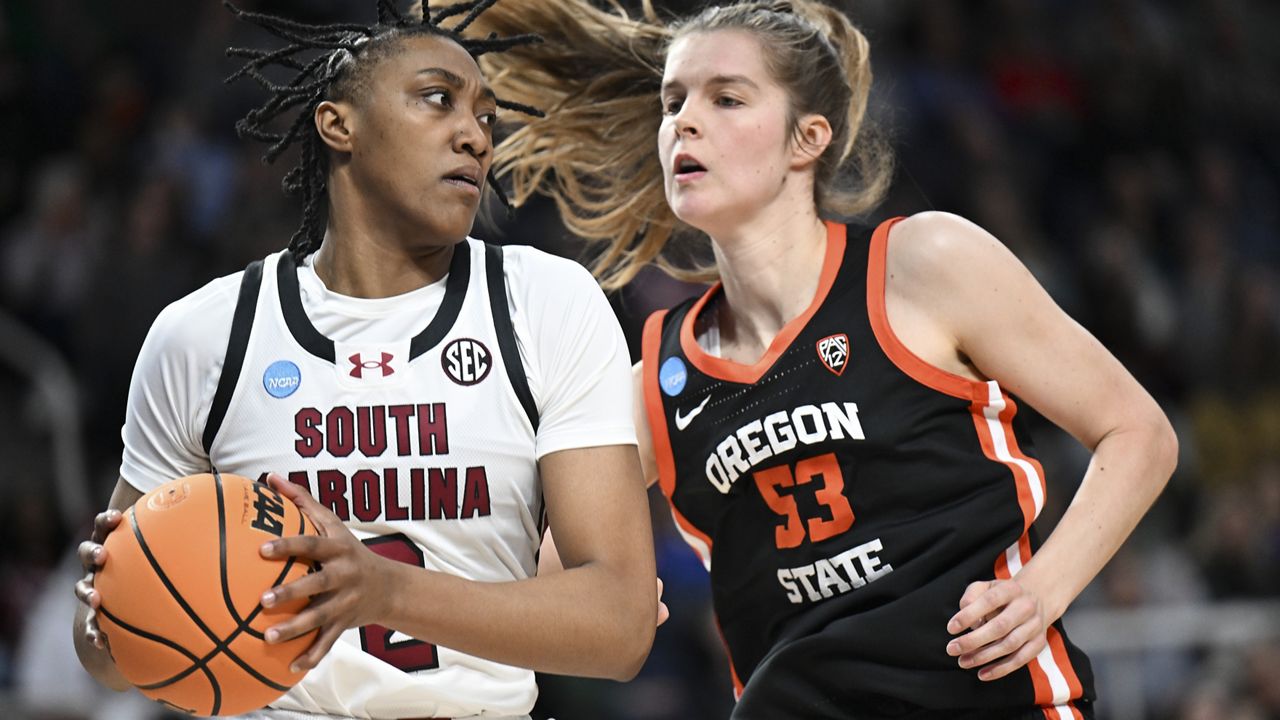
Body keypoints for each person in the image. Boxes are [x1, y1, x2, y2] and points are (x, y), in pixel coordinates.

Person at [468, 0, 1179, 718]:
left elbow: (1139, 434)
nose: (683, 121)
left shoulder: (923, 266)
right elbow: (531, 581)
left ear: (806, 139)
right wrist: (599, 604)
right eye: (673, 101)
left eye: (726, 98)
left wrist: (1042, 588)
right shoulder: (654, 381)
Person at [72, 2, 659, 719]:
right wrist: (119, 604)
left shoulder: (547, 302)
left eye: (486, 117)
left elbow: (621, 627)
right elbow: (103, 656)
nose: (474, 135)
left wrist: (383, 592)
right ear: (337, 124)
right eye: (438, 99)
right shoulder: (203, 335)